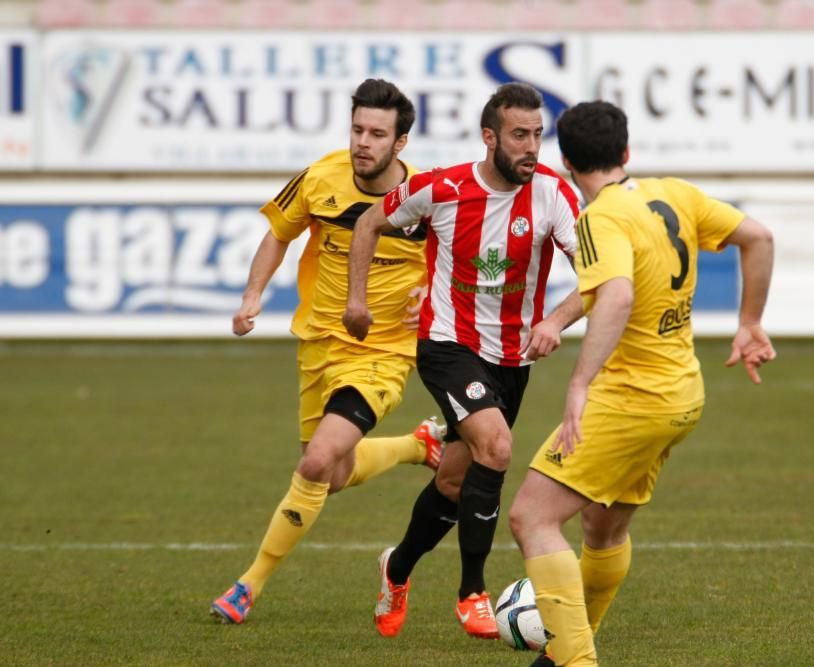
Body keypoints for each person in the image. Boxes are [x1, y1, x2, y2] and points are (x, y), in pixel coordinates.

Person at [508, 100, 777, 666]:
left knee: (531, 516)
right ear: (625, 152)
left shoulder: (598, 218)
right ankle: (564, 654)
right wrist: (749, 322)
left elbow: (618, 293)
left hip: (632, 399)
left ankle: (575, 659)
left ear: (564, 160)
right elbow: (759, 237)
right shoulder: (673, 194)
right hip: (681, 396)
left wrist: (579, 383)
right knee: (602, 526)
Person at [343, 82, 582, 640]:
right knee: (496, 448)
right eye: (519, 135)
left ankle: (396, 568)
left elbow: (597, 277)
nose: (531, 147)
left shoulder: (553, 194)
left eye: (538, 136)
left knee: (454, 481)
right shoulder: (441, 188)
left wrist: (553, 321)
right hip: (448, 344)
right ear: (489, 137)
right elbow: (368, 223)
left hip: (512, 357)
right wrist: (357, 301)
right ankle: (472, 591)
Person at [210, 79, 445, 625]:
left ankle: (247, 586)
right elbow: (279, 234)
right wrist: (252, 295)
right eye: (358, 129)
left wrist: (428, 292)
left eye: (377, 133)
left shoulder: (427, 196)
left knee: (315, 462)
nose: (363, 141)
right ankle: (418, 447)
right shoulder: (321, 177)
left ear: (400, 143)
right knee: (330, 475)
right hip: (318, 346)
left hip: (383, 355)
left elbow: (458, 255)